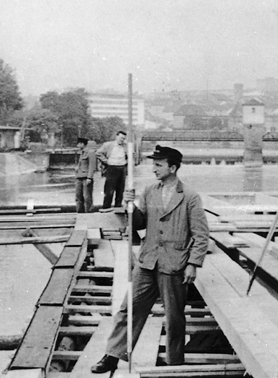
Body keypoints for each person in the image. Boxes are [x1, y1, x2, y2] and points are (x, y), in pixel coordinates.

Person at [90, 145, 210, 374]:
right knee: (129, 309)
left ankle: (174, 361)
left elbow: (201, 235)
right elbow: (140, 223)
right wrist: (130, 206)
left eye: (158, 164)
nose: (153, 168)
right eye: (153, 164)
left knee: (174, 317)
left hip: (174, 264)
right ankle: (112, 356)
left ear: (172, 167)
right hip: (147, 261)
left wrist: (193, 264)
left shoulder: (190, 197)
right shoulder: (149, 191)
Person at [96, 130, 128, 209]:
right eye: (121, 138)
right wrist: (106, 161)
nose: (122, 140)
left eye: (123, 138)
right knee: (109, 190)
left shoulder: (126, 146)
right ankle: (106, 207)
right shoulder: (108, 145)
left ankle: (118, 207)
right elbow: (98, 153)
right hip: (111, 168)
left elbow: (132, 154)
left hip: (122, 168)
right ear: (116, 136)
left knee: (120, 190)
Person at [75, 137, 96, 213]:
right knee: (78, 196)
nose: (77, 145)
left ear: (82, 144)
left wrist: (89, 177)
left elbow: (92, 166)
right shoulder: (81, 153)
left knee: (87, 197)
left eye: (78, 144)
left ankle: (88, 213)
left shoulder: (90, 153)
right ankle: (80, 213)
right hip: (79, 177)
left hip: (86, 178)